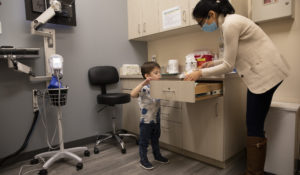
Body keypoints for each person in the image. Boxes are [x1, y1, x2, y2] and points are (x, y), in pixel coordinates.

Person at [184, 0, 289, 174]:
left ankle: (253, 172)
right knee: (254, 124)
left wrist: (200, 74)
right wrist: (210, 64)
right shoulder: (232, 21)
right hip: (266, 73)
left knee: (253, 125)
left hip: (265, 76)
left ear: (211, 14)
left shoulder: (229, 24)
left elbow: (227, 65)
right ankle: (254, 171)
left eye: (201, 22)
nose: (202, 27)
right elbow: (230, 59)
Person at [130, 61, 169, 170]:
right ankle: (143, 160)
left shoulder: (157, 87)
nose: (159, 75)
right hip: (146, 121)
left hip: (156, 120)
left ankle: (157, 156)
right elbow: (132, 94)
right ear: (147, 76)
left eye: (159, 73)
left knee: (156, 139)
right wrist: (143, 83)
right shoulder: (144, 88)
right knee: (144, 142)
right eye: (156, 73)